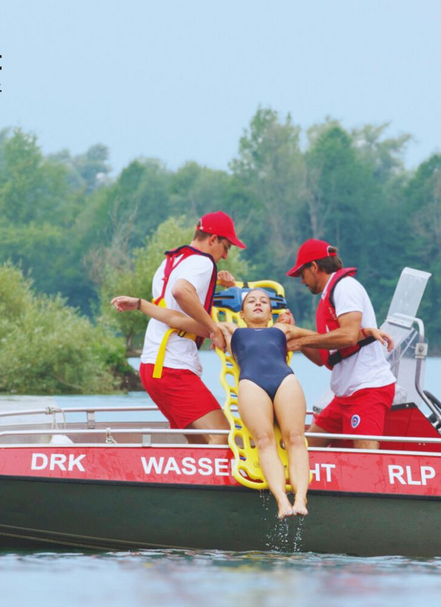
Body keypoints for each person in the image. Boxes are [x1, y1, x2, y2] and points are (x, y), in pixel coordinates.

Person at [113, 287, 392, 517]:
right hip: (251, 384)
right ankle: (282, 501)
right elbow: (175, 318)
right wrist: (140, 304)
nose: (258, 303)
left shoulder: (284, 329)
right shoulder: (227, 330)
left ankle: (301, 500)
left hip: (285, 381)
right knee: (264, 440)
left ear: (270, 312)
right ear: (242, 313)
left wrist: (367, 332)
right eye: (251, 301)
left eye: (264, 301)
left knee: (296, 438)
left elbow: (332, 338)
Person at [126, 211, 245, 444]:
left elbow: (175, 304)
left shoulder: (171, 261)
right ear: (213, 239)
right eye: (226, 247)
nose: (225, 255)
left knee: (200, 442)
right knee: (223, 436)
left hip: (152, 365)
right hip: (173, 366)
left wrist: (217, 282)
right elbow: (181, 292)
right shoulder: (203, 262)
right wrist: (214, 329)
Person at [284, 240, 397, 450]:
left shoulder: (345, 287)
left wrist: (301, 340)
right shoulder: (329, 293)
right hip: (344, 395)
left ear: (314, 267)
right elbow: (322, 358)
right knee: (306, 449)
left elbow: (349, 336)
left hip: (367, 388)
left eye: (302, 273)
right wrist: (294, 338)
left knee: (366, 457)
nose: (302, 281)